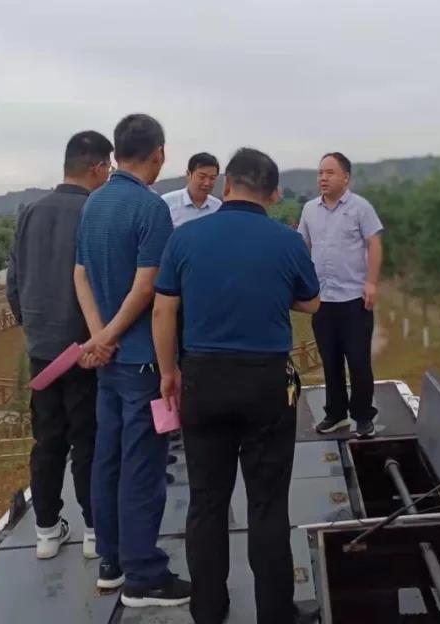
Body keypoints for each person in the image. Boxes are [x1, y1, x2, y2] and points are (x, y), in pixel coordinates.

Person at [152, 148, 321, 624]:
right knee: (267, 503)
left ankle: (208, 609)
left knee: (207, 502)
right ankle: (275, 613)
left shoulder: (185, 238)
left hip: (201, 380)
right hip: (266, 384)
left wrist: (169, 373)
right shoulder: (286, 241)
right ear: (273, 194)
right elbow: (312, 303)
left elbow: (163, 310)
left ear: (227, 186)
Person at [73, 114, 191, 607]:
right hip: (142, 361)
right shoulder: (151, 208)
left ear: (117, 153)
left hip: (109, 362)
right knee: (143, 468)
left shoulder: (94, 203)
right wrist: (114, 337)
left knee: (109, 460)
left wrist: (99, 338)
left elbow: (80, 275)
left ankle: (112, 563)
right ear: (159, 153)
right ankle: (144, 576)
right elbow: (147, 290)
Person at [6, 130, 112, 561]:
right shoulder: (95, 211)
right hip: (87, 350)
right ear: (98, 167)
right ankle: (94, 530)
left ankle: (47, 530)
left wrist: (32, 326)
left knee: (47, 440)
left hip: (43, 352)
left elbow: (14, 282)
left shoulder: (30, 212)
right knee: (89, 441)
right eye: (108, 167)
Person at [298, 152, 384, 438]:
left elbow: (374, 243)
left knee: (358, 361)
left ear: (346, 177)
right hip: (322, 300)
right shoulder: (310, 209)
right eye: (320, 173)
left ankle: (363, 416)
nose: (323, 178)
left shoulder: (360, 207)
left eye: (330, 172)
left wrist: (371, 282)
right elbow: (303, 245)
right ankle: (335, 414)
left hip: (354, 300)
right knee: (330, 360)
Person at [161, 152, 222, 228]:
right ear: (188, 174)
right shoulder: (167, 203)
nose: (207, 183)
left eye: (212, 178)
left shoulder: (218, 207)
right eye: (202, 177)